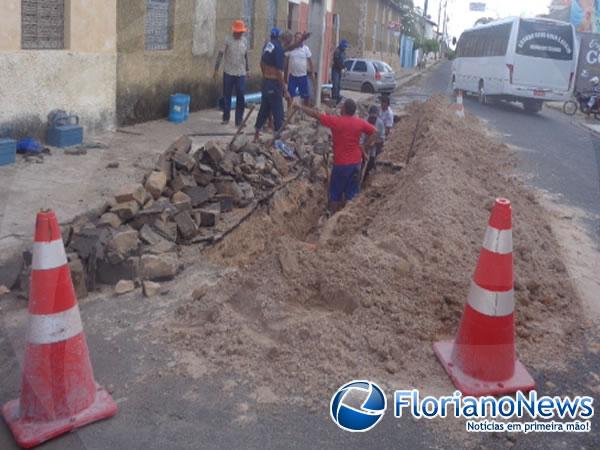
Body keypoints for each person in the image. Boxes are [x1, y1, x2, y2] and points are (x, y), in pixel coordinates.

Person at [294, 99, 377, 213]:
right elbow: (375, 132)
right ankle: (347, 218)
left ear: (344, 109)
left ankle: (332, 219)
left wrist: (299, 106)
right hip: (356, 164)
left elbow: (316, 115)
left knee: (335, 195)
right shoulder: (360, 122)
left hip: (341, 165)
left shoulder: (336, 121)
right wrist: (363, 146)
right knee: (352, 195)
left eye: (342, 107)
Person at [254, 29, 310, 141]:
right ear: (287, 40)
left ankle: (256, 134)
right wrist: (285, 90)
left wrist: (302, 40)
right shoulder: (279, 50)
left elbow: (262, 62)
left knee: (264, 109)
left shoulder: (270, 45)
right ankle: (278, 140)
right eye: (290, 41)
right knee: (278, 111)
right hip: (274, 84)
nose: (290, 44)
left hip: (266, 82)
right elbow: (279, 73)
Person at [213, 20, 249, 126]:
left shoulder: (245, 41)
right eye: (238, 32)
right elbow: (220, 54)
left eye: (241, 32)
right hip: (228, 72)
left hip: (241, 73)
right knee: (227, 96)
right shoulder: (227, 40)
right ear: (234, 31)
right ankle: (226, 118)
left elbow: (246, 56)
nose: (240, 34)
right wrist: (216, 69)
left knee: (241, 96)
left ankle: (239, 120)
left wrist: (247, 69)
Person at [285, 32, 314, 109]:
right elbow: (286, 62)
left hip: (302, 76)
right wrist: (285, 76)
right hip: (292, 76)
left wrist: (312, 72)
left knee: (305, 96)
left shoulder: (305, 49)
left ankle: (305, 112)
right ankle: (290, 111)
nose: (297, 39)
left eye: (299, 37)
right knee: (290, 95)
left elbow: (310, 61)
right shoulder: (291, 49)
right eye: (296, 37)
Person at [361, 105, 386, 185]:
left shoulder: (380, 123)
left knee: (370, 163)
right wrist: (364, 148)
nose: (372, 120)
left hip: (374, 148)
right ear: (369, 115)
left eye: (374, 118)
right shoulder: (363, 122)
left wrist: (374, 142)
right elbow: (361, 138)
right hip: (363, 147)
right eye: (371, 118)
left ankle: (365, 180)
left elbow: (382, 138)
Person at [331, 39, 349, 104]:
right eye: (345, 46)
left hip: (339, 70)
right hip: (335, 70)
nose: (345, 48)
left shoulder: (343, 52)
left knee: (338, 85)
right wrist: (342, 68)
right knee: (335, 84)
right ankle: (334, 97)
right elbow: (337, 61)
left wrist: (344, 67)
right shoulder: (337, 51)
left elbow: (343, 61)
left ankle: (337, 97)